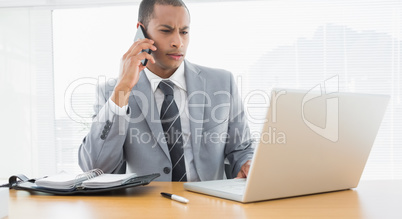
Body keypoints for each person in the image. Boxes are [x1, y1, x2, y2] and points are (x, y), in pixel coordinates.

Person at [78, 0, 254, 182]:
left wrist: (246, 164)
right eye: (166, 31)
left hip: (208, 206)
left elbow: (241, 148)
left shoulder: (222, 83)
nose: (178, 42)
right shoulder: (113, 93)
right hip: (146, 208)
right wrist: (123, 89)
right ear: (141, 31)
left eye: (184, 32)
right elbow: (95, 167)